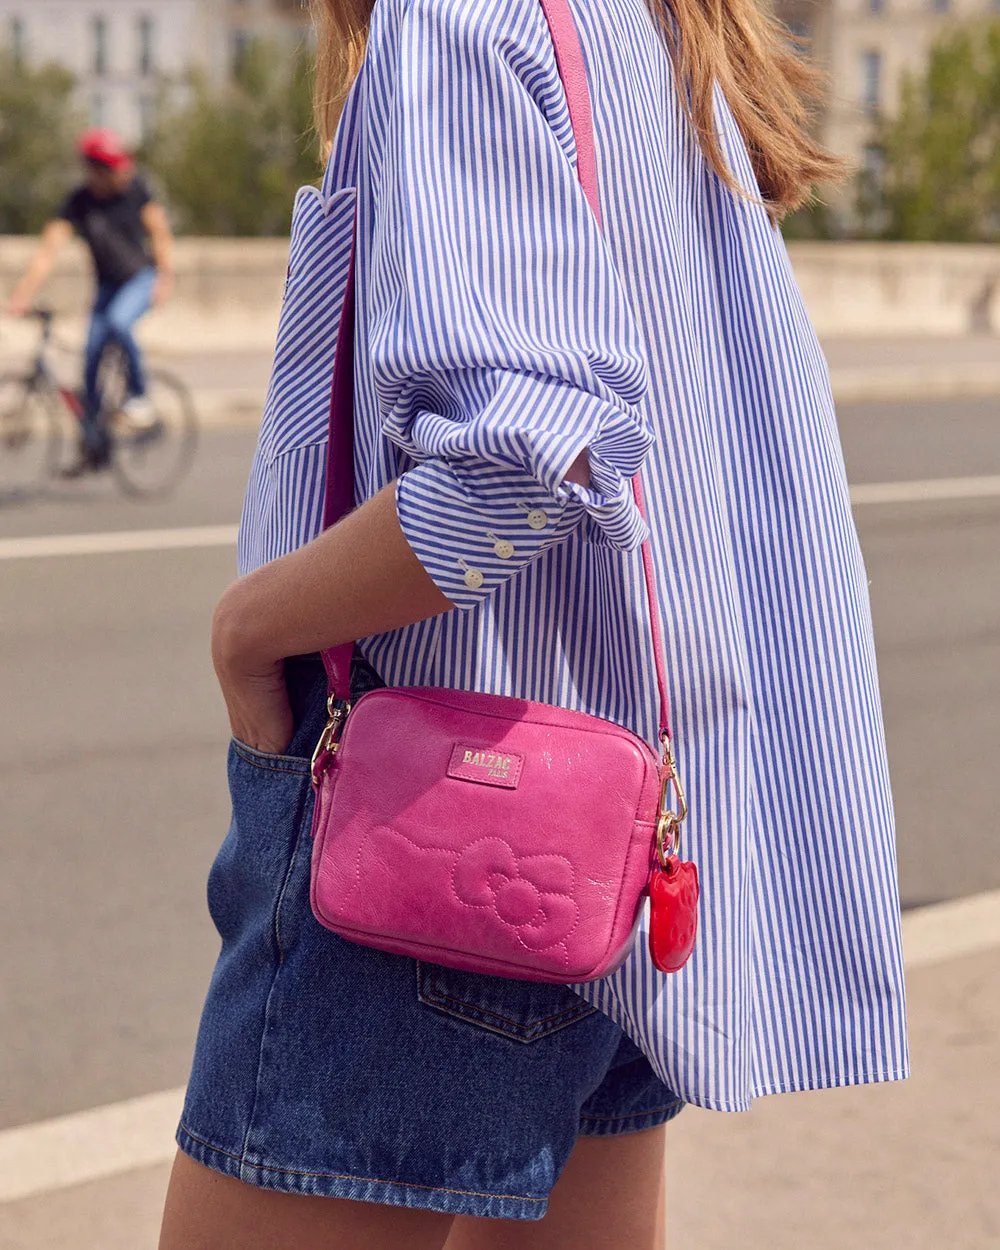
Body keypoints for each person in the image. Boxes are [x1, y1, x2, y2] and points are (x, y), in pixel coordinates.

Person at [159, 0, 909, 1247]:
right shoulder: (659, 38)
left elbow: (520, 470)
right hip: (631, 822)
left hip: (435, 828)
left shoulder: (461, 19)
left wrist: (249, 626)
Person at [4, 127, 174, 474]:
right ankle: (96, 446)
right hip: (107, 287)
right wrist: (22, 296)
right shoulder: (80, 201)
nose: (120, 173)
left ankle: (139, 398)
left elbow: (159, 233)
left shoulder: (136, 190)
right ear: (94, 170)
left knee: (118, 323)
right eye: (112, 169)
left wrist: (164, 277)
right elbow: (48, 251)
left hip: (140, 279)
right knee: (90, 362)